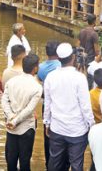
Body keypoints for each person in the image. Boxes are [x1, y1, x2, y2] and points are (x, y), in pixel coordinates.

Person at [43, 43, 95, 171]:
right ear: (72, 57)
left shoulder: (51, 77)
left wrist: (47, 123)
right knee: (76, 164)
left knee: (54, 162)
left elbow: (47, 103)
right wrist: (91, 124)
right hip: (77, 130)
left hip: (57, 128)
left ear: (58, 59)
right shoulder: (80, 78)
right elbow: (85, 106)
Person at [2, 54, 42, 171]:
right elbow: (29, 110)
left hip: (11, 127)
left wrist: (11, 117)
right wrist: (15, 121)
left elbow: (4, 101)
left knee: (11, 160)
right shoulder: (37, 87)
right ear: (35, 68)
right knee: (25, 161)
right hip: (26, 128)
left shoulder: (12, 81)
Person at [37, 40, 61, 169]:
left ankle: (48, 163)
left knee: (47, 135)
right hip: (60, 105)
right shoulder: (62, 65)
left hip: (47, 105)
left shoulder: (40, 67)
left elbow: (40, 81)